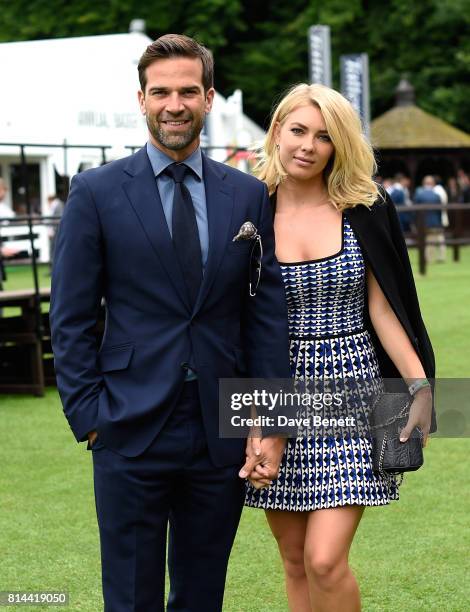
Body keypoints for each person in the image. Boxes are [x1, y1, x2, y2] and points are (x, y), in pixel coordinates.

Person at [50, 34, 291, 612]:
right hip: (126, 426)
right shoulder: (96, 192)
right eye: (161, 92)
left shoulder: (249, 196)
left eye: (188, 91)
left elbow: (265, 316)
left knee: (203, 594)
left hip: (219, 427)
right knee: (130, 598)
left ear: (208, 98)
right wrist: (89, 418)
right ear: (141, 99)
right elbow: (72, 317)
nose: (174, 104)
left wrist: (268, 420)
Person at [244, 83, 436, 612]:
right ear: (277, 130)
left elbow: (385, 309)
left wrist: (419, 384)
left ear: (340, 144)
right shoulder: (247, 209)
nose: (308, 145)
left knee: (325, 558)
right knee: (293, 558)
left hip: (353, 382)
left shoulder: (364, 207)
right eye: (298, 130)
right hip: (272, 388)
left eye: (325, 137)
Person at [414, 175, 446, 263]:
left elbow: (415, 211)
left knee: (427, 241)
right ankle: (438, 257)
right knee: (436, 240)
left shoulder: (419, 195)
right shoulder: (436, 195)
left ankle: (428, 259)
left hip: (423, 223)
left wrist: (415, 223)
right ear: (432, 184)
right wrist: (439, 222)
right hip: (435, 222)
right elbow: (439, 210)